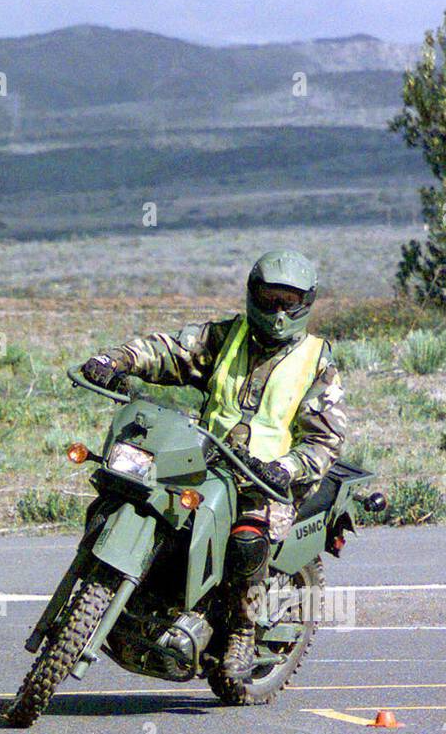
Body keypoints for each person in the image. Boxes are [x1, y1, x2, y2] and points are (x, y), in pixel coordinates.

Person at [80, 249, 347, 679]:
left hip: (268, 481)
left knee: (246, 542)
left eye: (288, 301)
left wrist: (286, 467)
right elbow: (168, 351)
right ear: (251, 295)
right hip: (206, 460)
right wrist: (117, 360)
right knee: (140, 494)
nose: (277, 311)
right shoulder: (227, 338)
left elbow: (325, 441)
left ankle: (242, 630)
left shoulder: (317, 364)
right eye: (269, 298)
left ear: (305, 304)